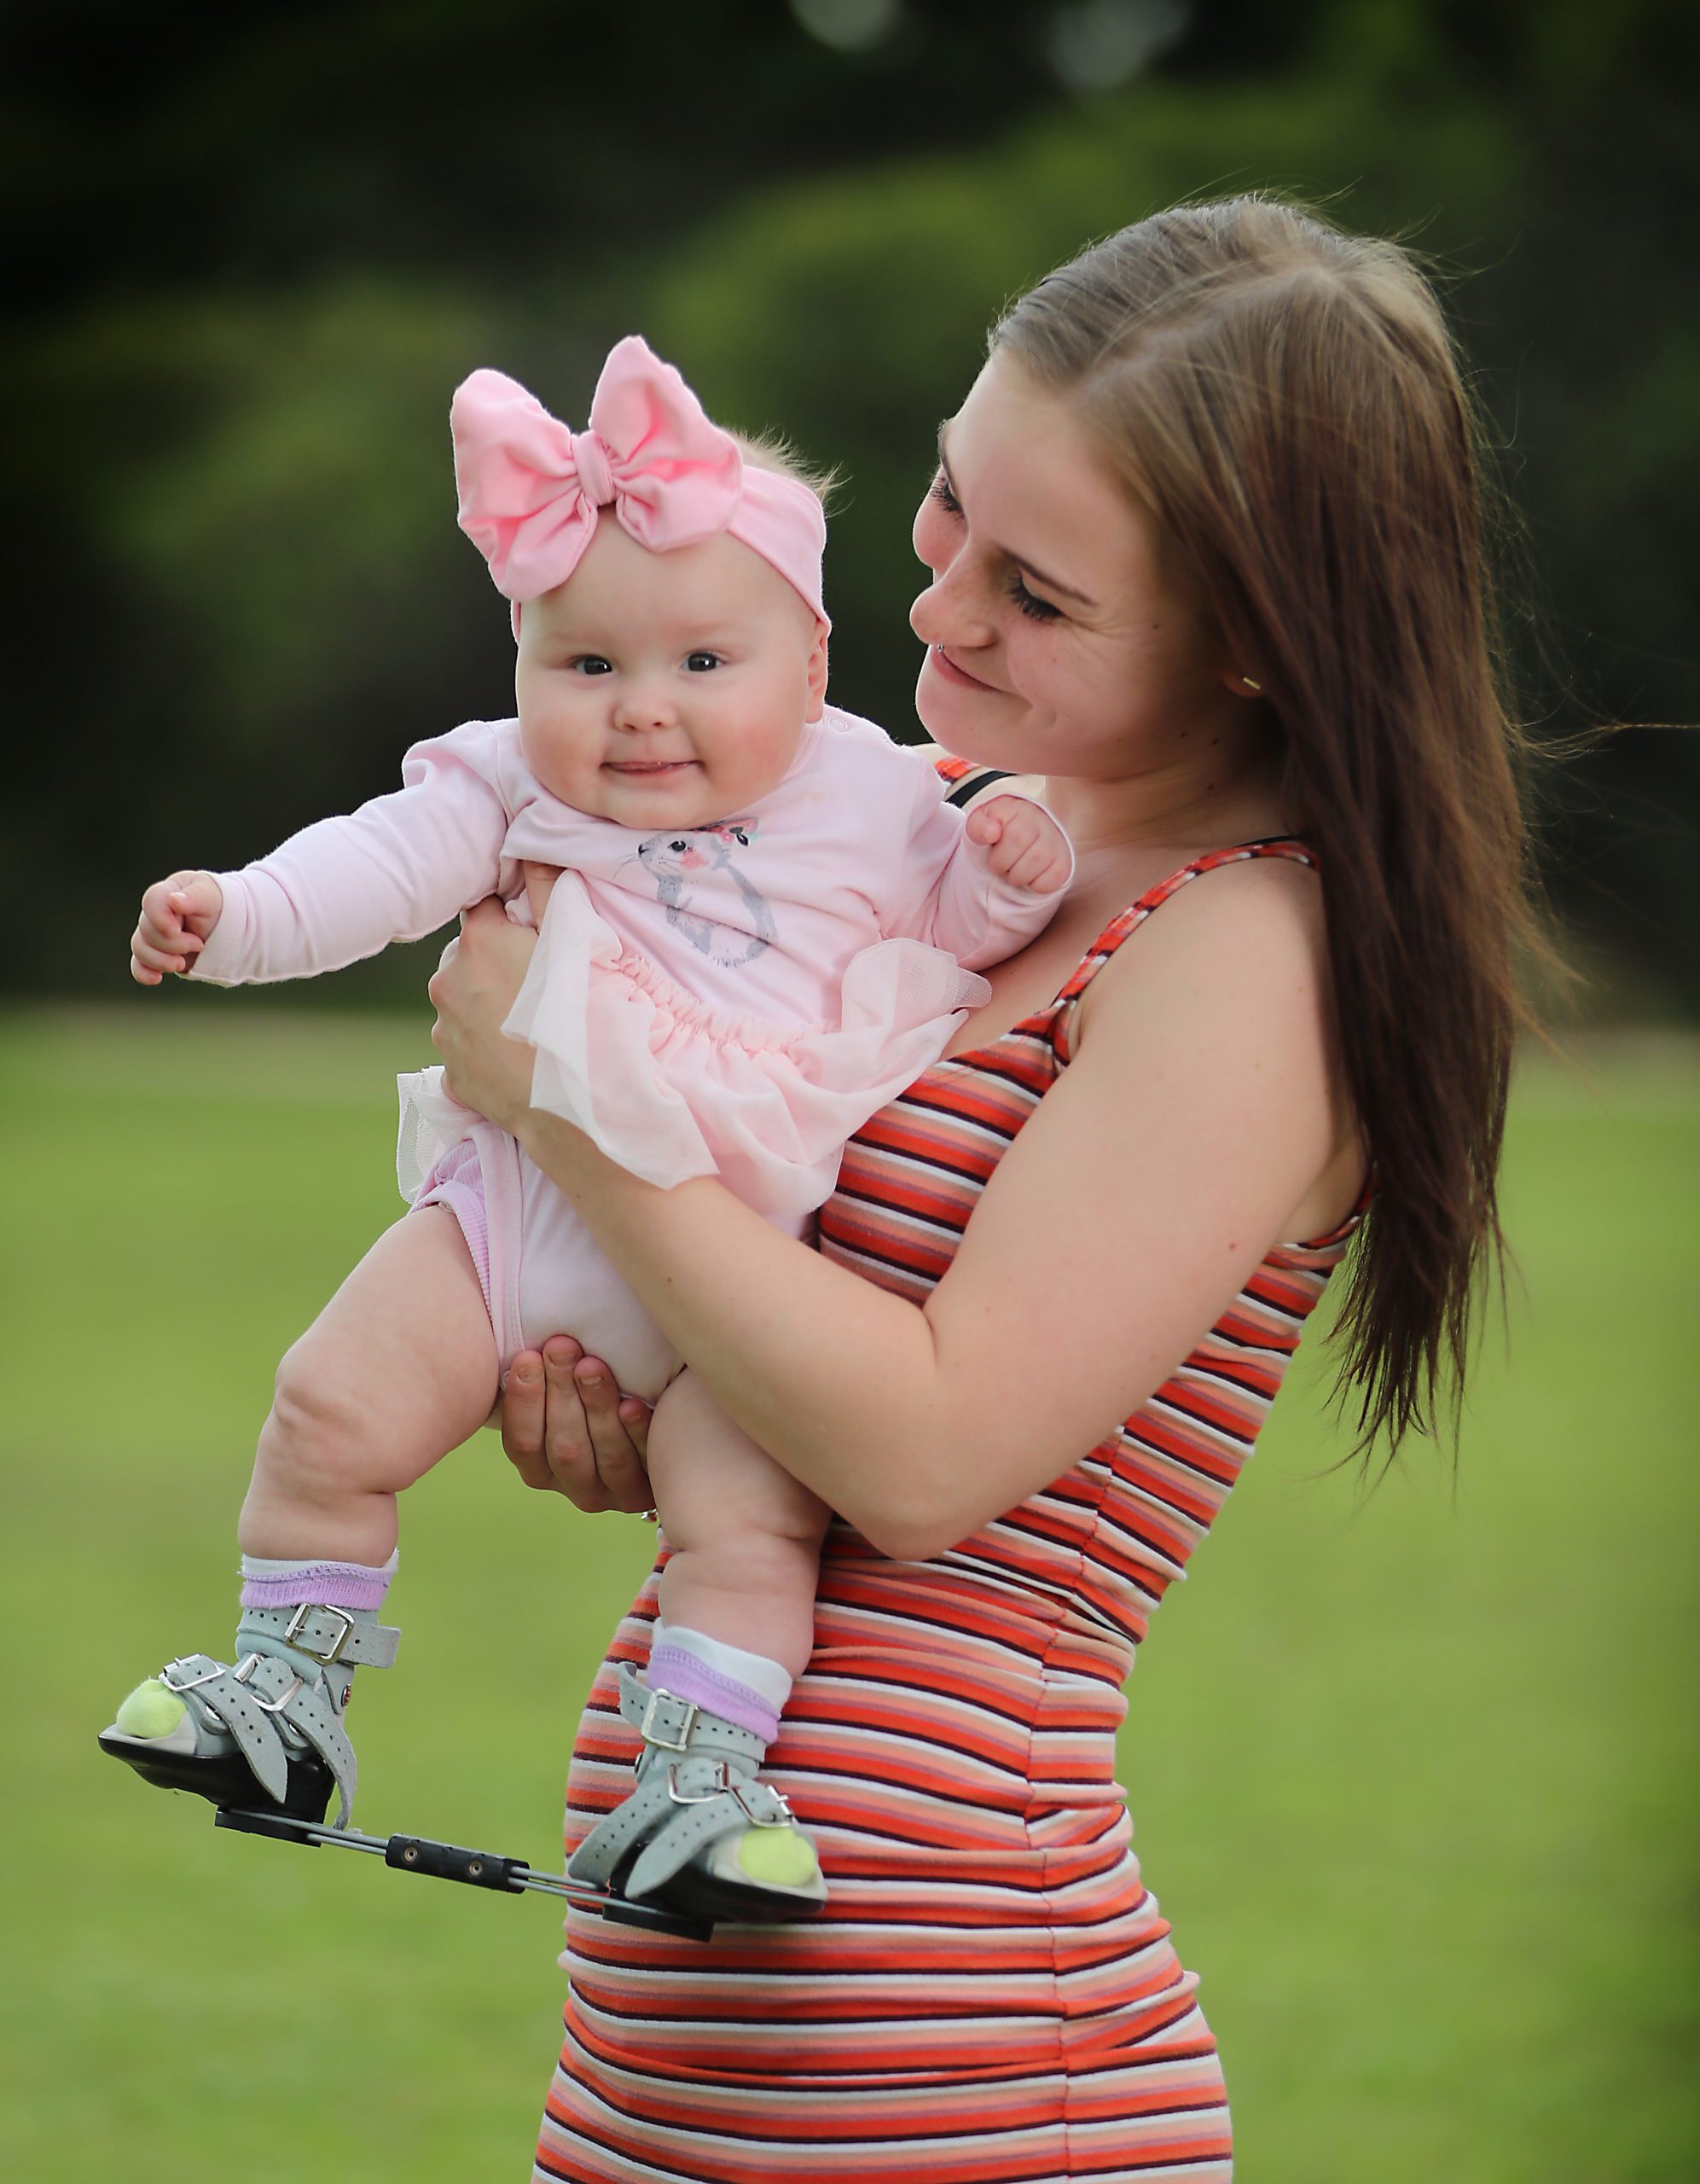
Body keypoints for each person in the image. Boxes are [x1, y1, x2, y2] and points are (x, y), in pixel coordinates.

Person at [427, 195, 1541, 2180]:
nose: (939, 608)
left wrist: (575, 1100)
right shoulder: (946, 855)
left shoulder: (1241, 958)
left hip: (959, 2068)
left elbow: (937, 1453)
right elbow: (805, 1344)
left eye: (1037, 589)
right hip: (683, 2057)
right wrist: (655, 1395)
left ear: (1261, 650)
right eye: (947, 509)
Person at [100, 335, 1072, 1917]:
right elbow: (380, 864)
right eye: (585, 666)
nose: (637, 713)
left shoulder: (881, 798)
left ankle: (703, 1786)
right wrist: (242, 914)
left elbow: (953, 933)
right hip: (511, 1222)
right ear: (521, 674)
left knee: (741, 1521)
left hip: (738, 1264)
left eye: (704, 665)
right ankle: (286, 1697)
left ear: (812, 671)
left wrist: (1005, 869)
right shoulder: (502, 786)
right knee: (328, 1404)